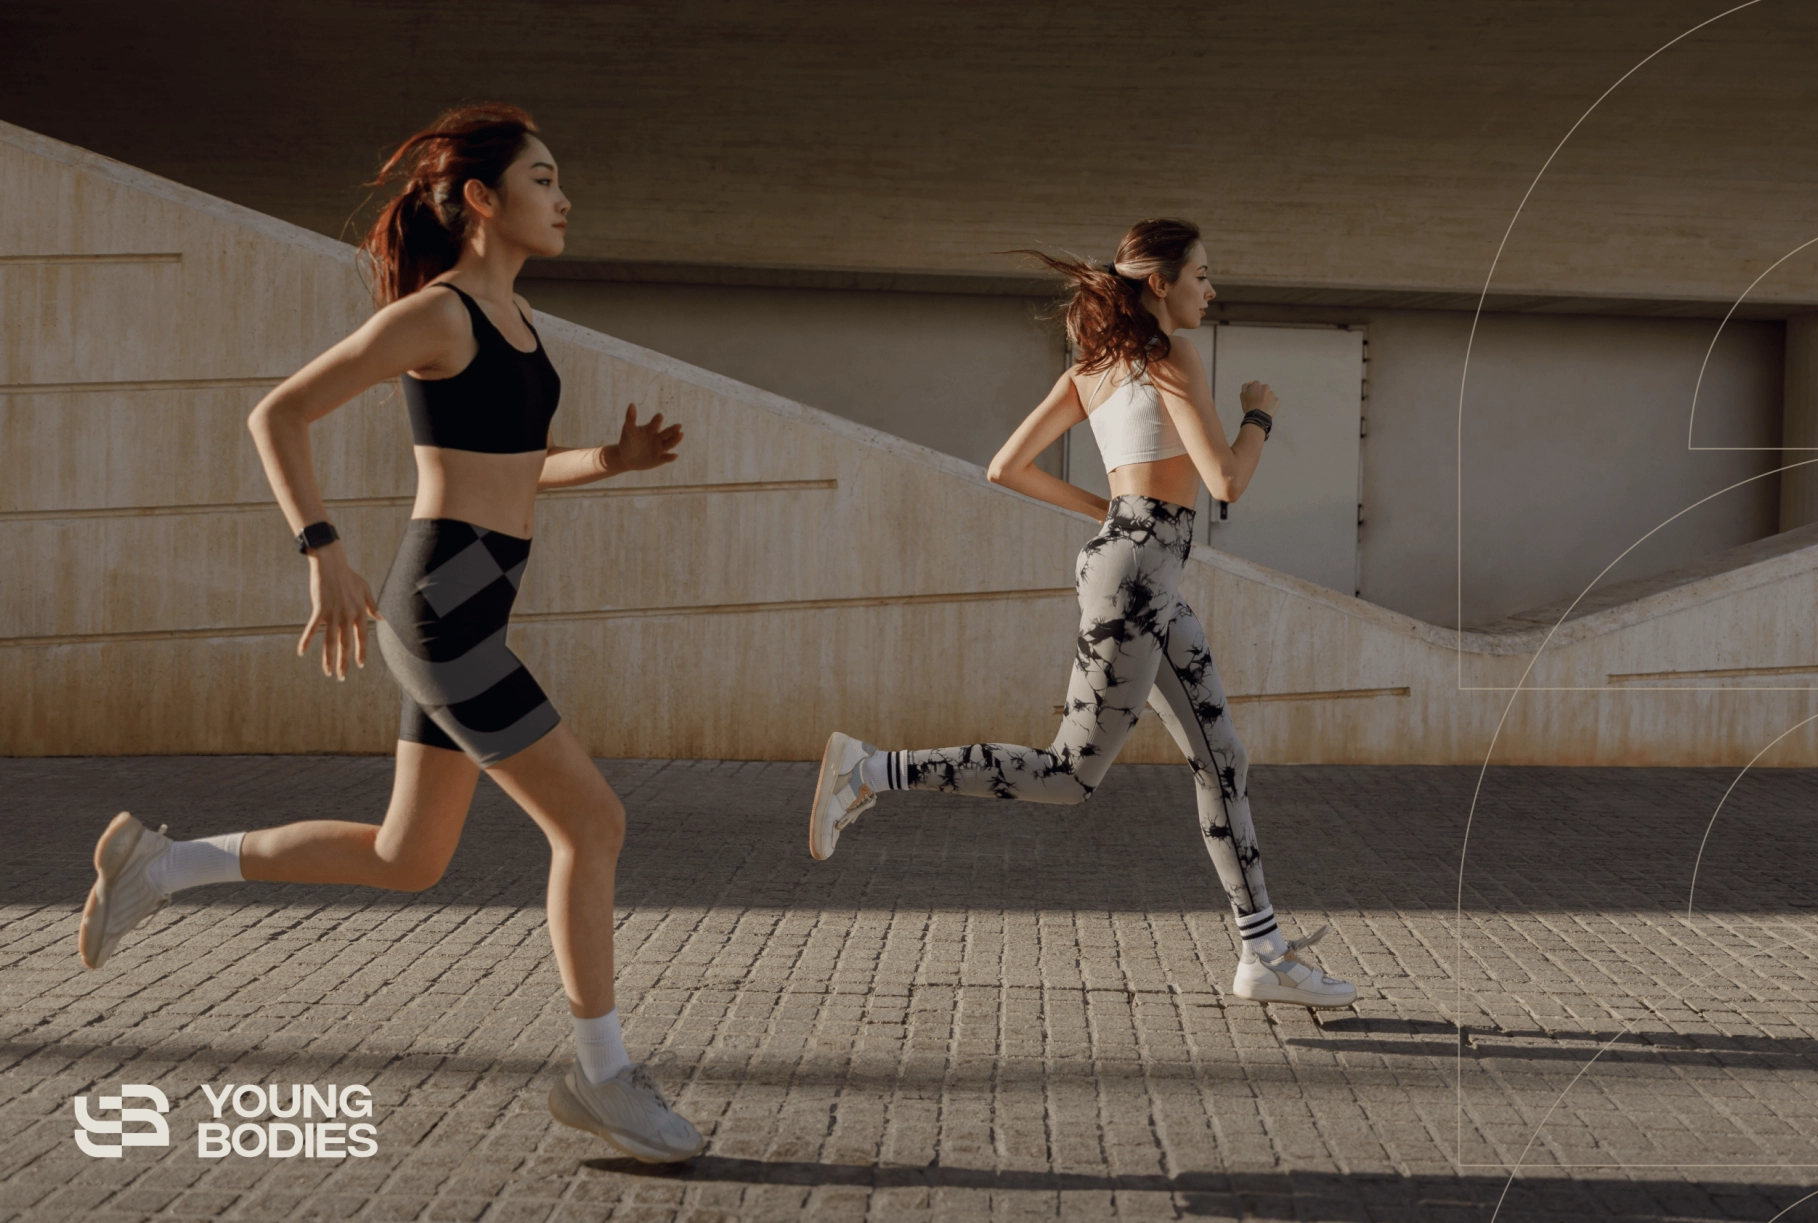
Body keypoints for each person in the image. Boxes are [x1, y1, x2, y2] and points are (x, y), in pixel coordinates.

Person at [75, 104, 706, 1162]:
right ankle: (603, 1074)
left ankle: (165, 862)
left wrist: (608, 461)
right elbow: (276, 413)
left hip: (471, 601)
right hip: (443, 611)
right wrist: (321, 549)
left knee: (406, 855)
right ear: (480, 200)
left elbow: (518, 468)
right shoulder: (440, 315)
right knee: (590, 824)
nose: (563, 197)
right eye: (543, 179)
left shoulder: (517, 323)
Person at [808, 218, 1356, 1009]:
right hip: (1138, 574)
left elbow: (1008, 467)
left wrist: (1113, 508)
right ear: (1160, 283)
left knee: (1223, 757)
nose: (1212, 287)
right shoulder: (1171, 356)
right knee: (1068, 776)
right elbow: (1228, 482)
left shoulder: (1091, 369)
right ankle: (865, 770)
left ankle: (1263, 949)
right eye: (1202, 273)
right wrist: (1258, 415)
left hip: (1139, 567)